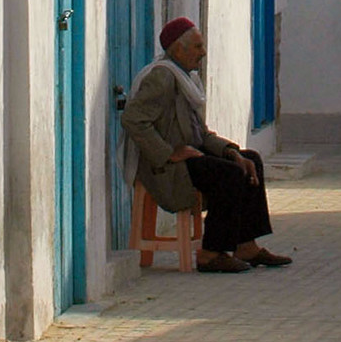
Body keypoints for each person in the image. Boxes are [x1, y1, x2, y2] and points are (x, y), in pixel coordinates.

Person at [119, 16, 291, 273]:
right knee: (228, 175)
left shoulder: (188, 80)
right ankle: (211, 253)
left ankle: (246, 245)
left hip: (191, 155)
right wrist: (168, 153)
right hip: (164, 168)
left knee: (249, 160)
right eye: (198, 46)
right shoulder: (163, 78)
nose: (203, 53)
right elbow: (133, 119)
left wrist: (231, 151)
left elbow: (201, 134)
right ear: (179, 49)